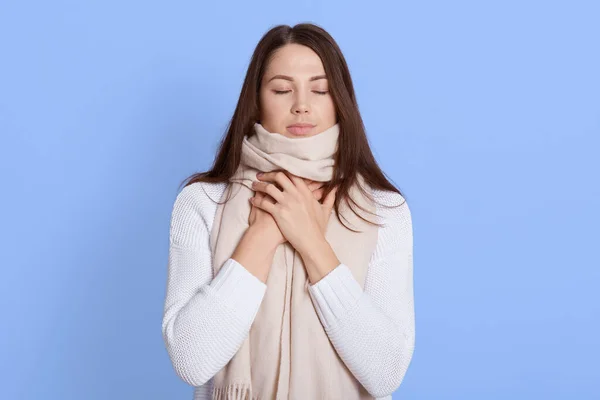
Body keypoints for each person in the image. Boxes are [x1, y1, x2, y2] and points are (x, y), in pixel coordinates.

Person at [161, 22, 415, 400]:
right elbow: (192, 360)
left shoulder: (382, 209)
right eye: (282, 89)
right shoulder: (203, 202)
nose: (301, 104)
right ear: (257, 100)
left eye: (320, 89)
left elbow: (386, 373)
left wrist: (312, 241)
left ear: (340, 101)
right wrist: (263, 234)